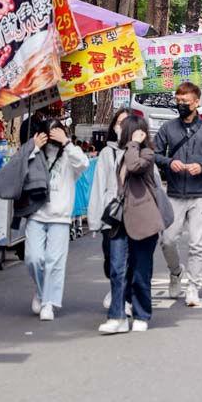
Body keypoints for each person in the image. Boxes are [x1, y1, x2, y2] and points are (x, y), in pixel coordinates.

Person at [154, 82, 202, 306]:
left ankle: (193, 287)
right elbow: (154, 153)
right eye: (178, 101)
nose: (181, 105)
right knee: (167, 240)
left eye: (185, 102)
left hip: (200, 194)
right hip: (175, 192)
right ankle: (176, 271)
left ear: (196, 102)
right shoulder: (168, 128)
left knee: (197, 244)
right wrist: (170, 162)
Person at [99, 115, 168, 334]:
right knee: (117, 269)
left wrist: (135, 144)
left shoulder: (146, 153)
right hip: (120, 220)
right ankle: (117, 315)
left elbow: (135, 165)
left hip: (143, 220)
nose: (119, 131)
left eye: (123, 128)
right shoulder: (119, 155)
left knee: (140, 270)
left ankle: (141, 314)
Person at [22, 119, 89, 321]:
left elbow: (84, 163)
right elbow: (20, 167)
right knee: (33, 258)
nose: (51, 137)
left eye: (55, 132)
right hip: (36, 213)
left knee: (54, 262)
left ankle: (48, 303)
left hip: (60, 217)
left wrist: (67, 142)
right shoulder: (36, 153)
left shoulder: (69, 155)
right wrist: (32, 146)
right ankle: (43, 292)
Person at [88, 108, 132, 313]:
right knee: (112, 261)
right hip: (111, 216)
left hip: (135, 216)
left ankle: (124, 299)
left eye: (126, 123)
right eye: (119, 122)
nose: (121, 127)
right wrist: (94, 221)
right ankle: (117, 288)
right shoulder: (107, 153)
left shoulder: (142, 151)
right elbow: (98, 187)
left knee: (130, 259)